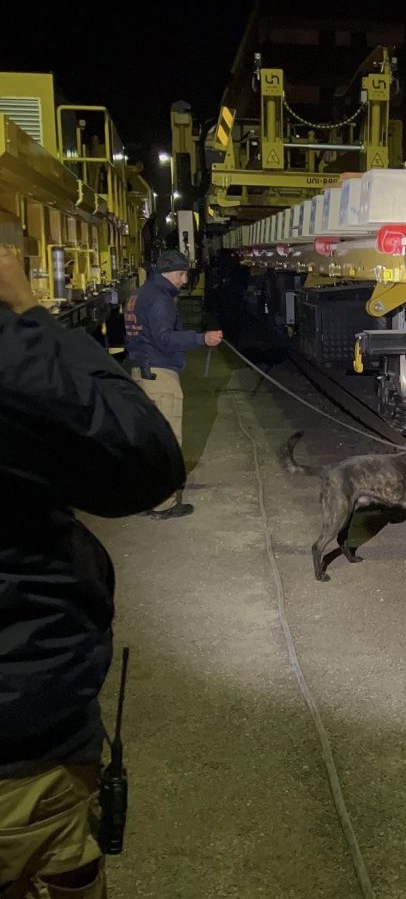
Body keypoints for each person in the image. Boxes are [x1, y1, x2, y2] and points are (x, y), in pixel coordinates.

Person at [0, 245, 186, 897]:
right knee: (65, 865)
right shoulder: (13, 356)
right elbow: (145, 460)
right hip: (26, 737)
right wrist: (31, 314)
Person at [124, 249, 223, 519]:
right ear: (171, 273)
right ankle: (164, 505)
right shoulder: (160, 298)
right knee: (166, 443)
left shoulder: (138, 295)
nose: (184, 281)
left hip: (141, 374)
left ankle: (146, 499)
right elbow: (165, 339)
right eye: (182, 274)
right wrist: (201, 338)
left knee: (148, 442)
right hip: (160, 377)